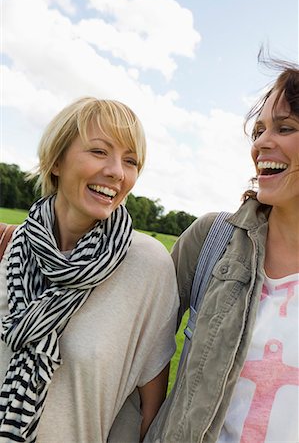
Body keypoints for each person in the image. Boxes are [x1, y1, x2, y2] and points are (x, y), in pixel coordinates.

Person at [0, 98, 179, 443]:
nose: (116, 171)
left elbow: (150, 415)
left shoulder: (148, 266)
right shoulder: (8, 247)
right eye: (99, 152)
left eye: (130, 161)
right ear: (55, 161)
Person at [145, 55, 299, 442]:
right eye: (259, 130)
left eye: (285, 127)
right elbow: (132, 328)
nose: (262, 142)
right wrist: (42, 237)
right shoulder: (211, 240)